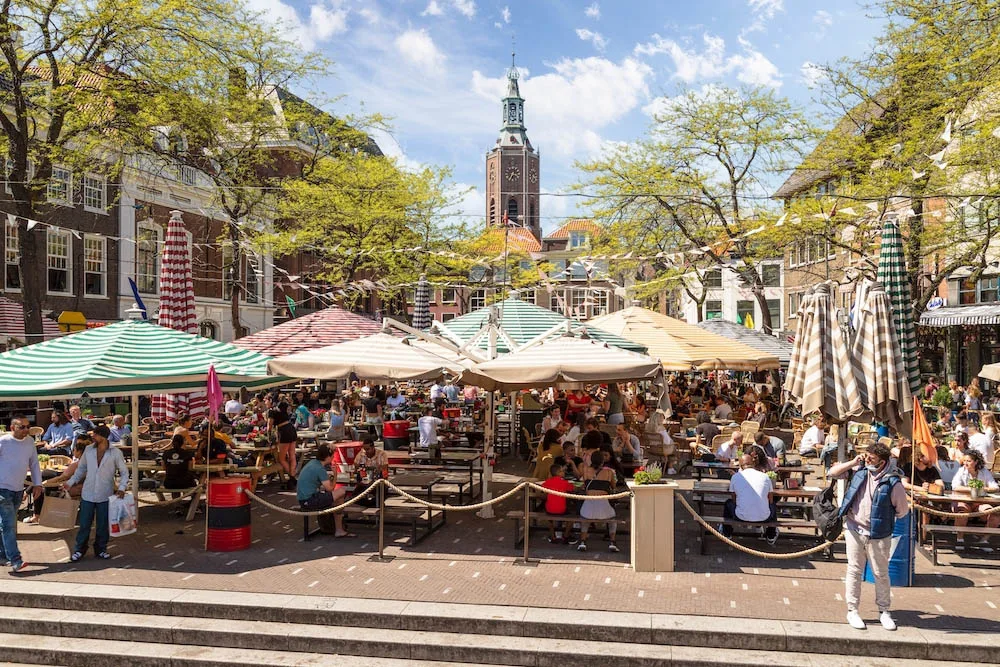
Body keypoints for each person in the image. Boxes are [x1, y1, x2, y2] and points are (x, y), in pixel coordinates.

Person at [828, 442, 908, 631]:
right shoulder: (859, 471)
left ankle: (884, 611)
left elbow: (902, 511)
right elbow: (832, 473)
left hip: (879, 534)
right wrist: (852, 462)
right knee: (854, 570)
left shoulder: (892, 482)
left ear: (882, 461)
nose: (867, 460)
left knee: (880, 573)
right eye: (866, 456)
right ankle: (852, 610)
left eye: (871, 458)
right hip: (854, 529)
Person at [65, 425, 129, 562]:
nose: (93, 437)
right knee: (84, 524)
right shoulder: (88, 450)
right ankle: (79, 549)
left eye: (95, 435)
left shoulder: (115, 452)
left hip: (105, 493)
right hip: (88, 493)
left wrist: (122, 487)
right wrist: (70, 482)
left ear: (103, 436)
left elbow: (124, 472)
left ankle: (101, 549)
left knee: (102, 525)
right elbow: (81, 469)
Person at [0, 416, 43, 572]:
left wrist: (38, 484)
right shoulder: (3, 441)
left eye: (28, 427)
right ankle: (16, 559)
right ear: (12, 428)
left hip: (18, 489)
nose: (26, 430)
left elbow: (34, 463)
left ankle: (2, 555)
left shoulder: (30, 442)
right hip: (2, 489)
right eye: (22, 427)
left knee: (5, 525)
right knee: (9, 525)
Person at [721, 447, 778, 544]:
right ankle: (771, 534)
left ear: (741, 466)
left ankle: (727, 532)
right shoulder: (765, 476)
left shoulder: (735, 477)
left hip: (740, 516)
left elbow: (733, 498)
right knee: (773, 506)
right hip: (764, 517)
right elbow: (770, 499)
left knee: (728, 503)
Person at [297, 444, 354, 537]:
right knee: (341, 492)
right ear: (327, 457)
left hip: (303, 499)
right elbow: (330, 488)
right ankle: (338, 529)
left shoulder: (312, 463)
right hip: (309, 501)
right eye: (332, 456)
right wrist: (335, 474)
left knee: (336, 498)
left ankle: (335, 526)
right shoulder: (320, 469)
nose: (332, 458)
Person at [951, 450, 1000, 545]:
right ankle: (960, 539)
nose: (965, 463)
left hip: (979, 502)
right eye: (964, 460)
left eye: (968, 461)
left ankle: (984, 539)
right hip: (964, 500)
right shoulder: (962, 471)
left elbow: (995, 487)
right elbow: (955, 486)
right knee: (962, 510)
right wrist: (971, 489)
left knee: (994, 513)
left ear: (976, 462)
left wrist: (982, 489)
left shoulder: (984, 472)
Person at [578, 450, 619, 553]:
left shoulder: (586, 470)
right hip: (604, 510)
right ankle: (612, 542)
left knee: (584, 519)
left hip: (587, 509)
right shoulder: (609, 472)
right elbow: (613, 486)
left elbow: (584, 485)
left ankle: (582, 541)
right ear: (602, 461)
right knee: (613, 520)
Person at [541, 461, 575, 544]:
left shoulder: (548, 482)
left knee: (549, 518)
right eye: (562, 471)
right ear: (558, 473)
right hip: (561, 510)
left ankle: (553, 536)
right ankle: (566, 536)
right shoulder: (564, 483)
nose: (564, 472)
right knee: (573, 516)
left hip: (549, 509)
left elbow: (542, 490)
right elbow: (573, 489)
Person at [268, 402, 298, 489]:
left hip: (284, 432)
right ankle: (292, 477)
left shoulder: (271, 412)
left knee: (281, 458)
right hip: (291, 429)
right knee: (292, 456)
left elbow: (269, 427)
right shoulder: (283, 411)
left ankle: (292, 477)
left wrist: (269, 438)